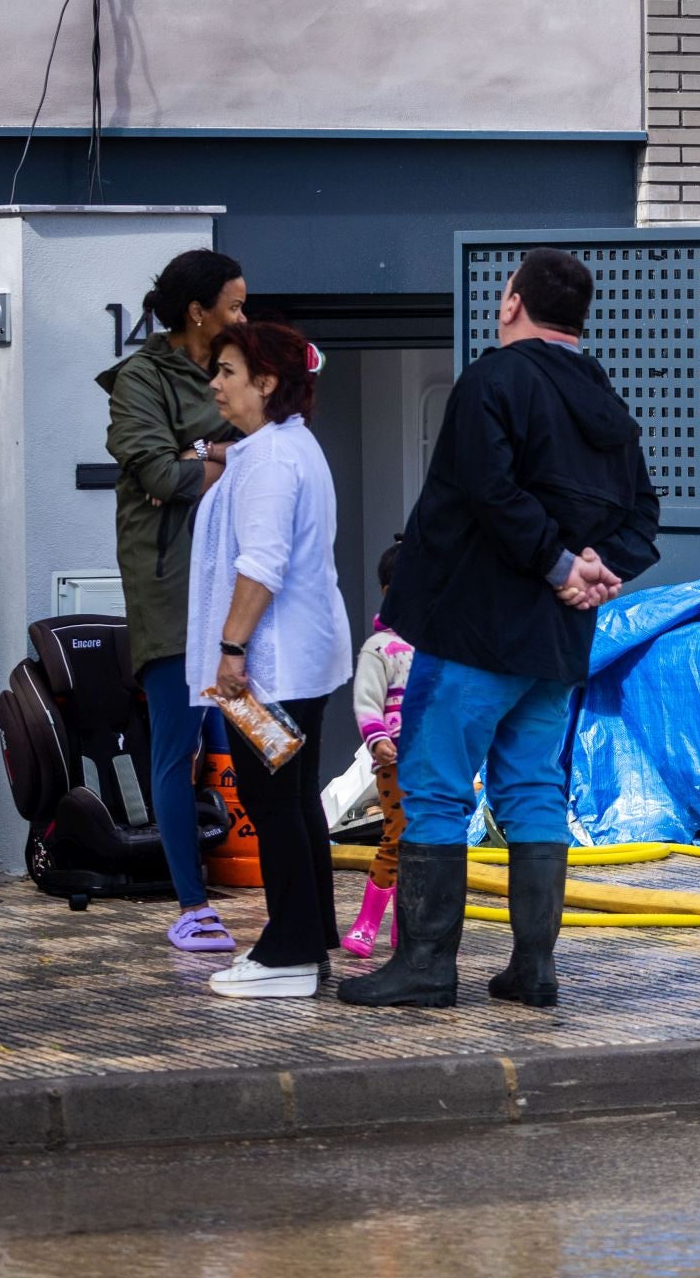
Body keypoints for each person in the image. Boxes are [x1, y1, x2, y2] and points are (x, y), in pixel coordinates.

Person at [339, 248, 659, 1010]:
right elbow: (644, 517)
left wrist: (560, 564)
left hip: (472, 631)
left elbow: (489, 489)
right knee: (534, 789)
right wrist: (594, 570)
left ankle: (425, 965)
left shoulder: (492, 382)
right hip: (556, 644)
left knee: (434, 787)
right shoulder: (607, 405)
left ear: (512, 302)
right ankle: (533, 968)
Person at [188, 322, 353, 998]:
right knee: (293, 798)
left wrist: (230, 650)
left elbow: (261, 563)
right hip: (296, 659)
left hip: (267, 666)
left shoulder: (271, 460)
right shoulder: (286, 446)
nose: (215, 384)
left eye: (227, 371)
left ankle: (288, 951)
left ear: (267, 381)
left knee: (272, 800)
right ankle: (307, 939)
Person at [99, 249, 248, 952]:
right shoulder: (140, 380)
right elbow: (160, 474)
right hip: (173, 590)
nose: (244, 316)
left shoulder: (236, 367)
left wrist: (200, 454)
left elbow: (265, 451)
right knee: (176, 746)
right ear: (197, 311)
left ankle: (288, 889)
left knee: (264, 737)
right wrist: (219, 457)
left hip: (239, 585)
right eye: (235, 305)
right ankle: (193, 905)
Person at [344, 536, 414, 957]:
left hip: (431, 760)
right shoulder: (379, 648)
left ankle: (405, 929)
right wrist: (378, 738)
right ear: (390, 593)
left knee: (423, 843)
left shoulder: (438, 644)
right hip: (396, 759)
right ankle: (367, 925)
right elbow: (367, 701)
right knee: (397, 837)